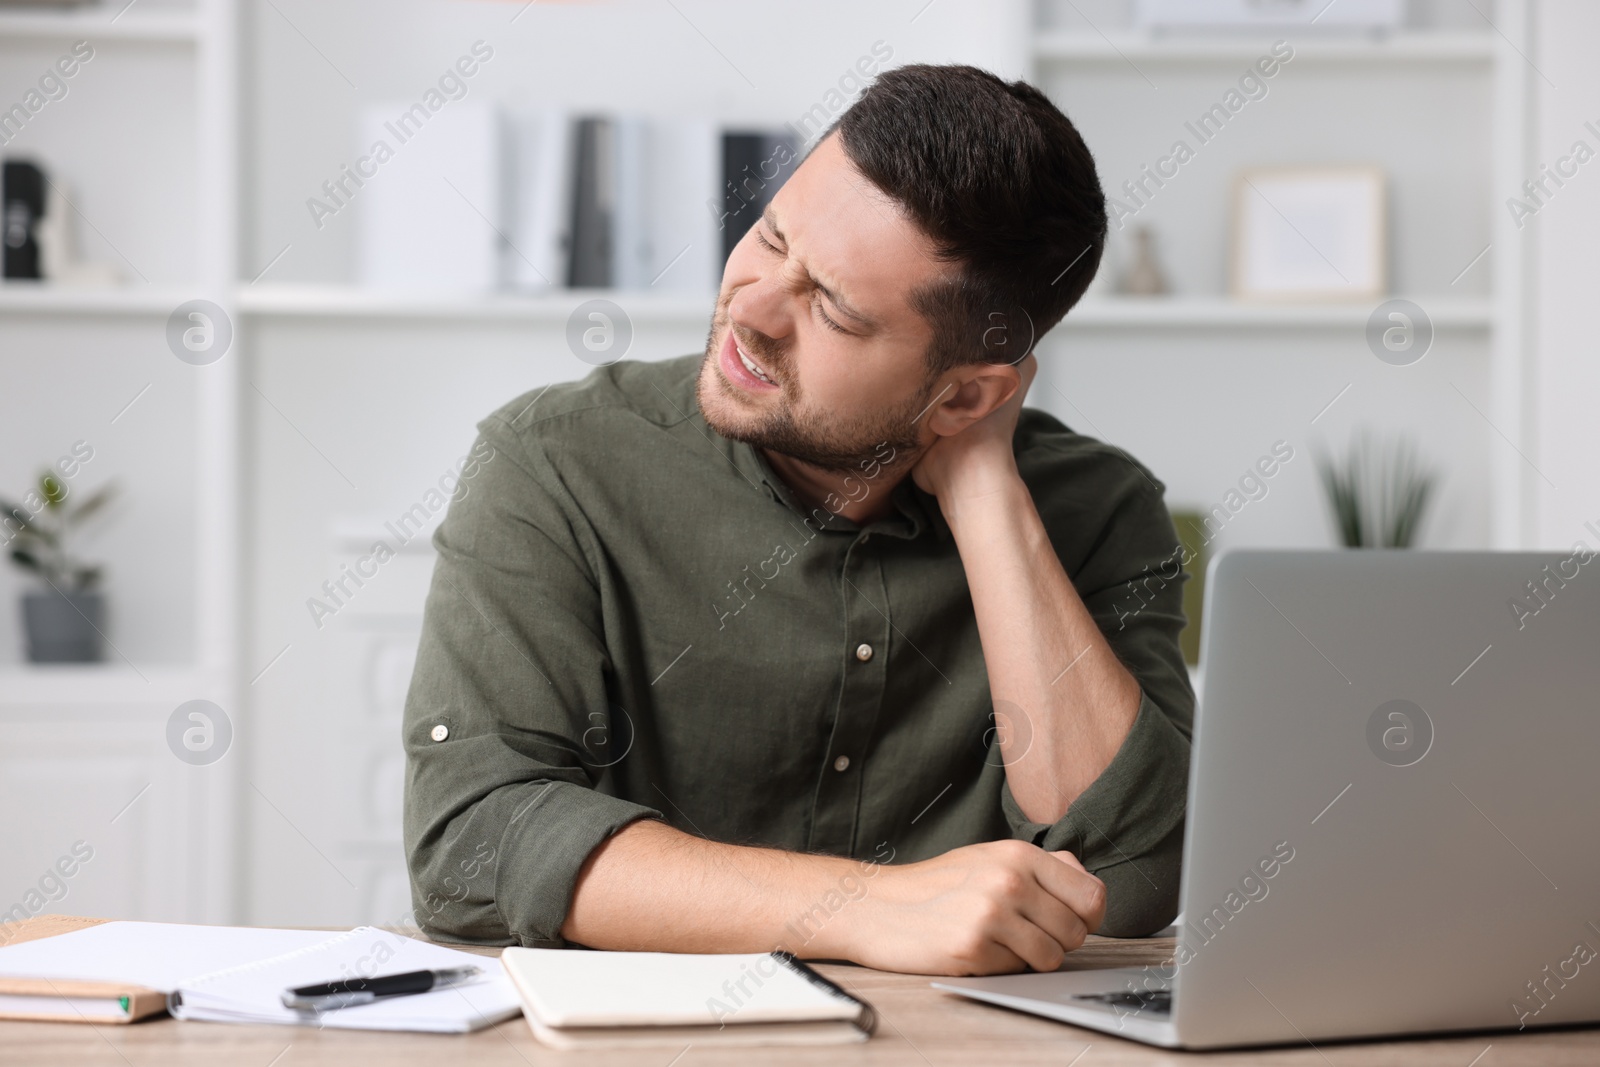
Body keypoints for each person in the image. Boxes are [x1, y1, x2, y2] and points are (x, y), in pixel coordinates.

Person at [403, 64, 1192, 977]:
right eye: (770, 236)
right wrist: (860, 907)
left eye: (832, 309)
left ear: (969, 392)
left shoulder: (1101, 510)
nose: (749, 306)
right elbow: (472, 844)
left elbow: (1131, 873)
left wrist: (983, 484)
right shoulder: (552, 463)